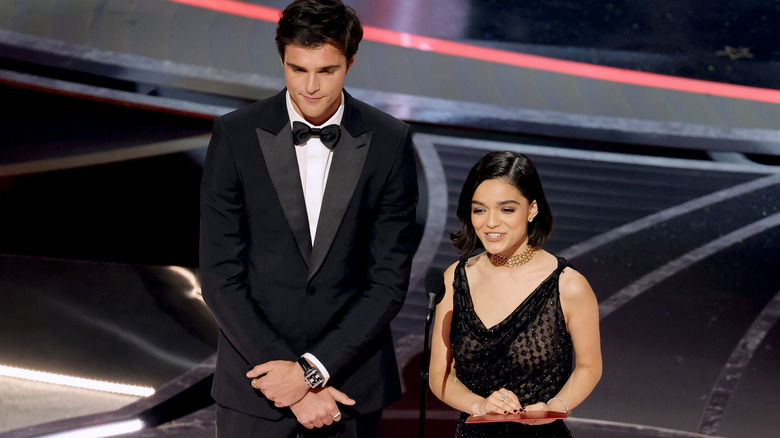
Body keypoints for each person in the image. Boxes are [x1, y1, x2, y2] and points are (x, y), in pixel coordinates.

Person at [198, 0, 419, 436]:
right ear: (282, 59)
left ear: (350, 62)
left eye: (327, 70)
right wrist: (289, 381)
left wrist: (312, 372)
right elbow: (221, 276)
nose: (311, 86)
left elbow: (388, 282)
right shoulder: (235, 134)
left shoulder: (390, 141)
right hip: (255, 389)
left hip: (348, 389)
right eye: (298, 69)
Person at [428, 151, 602, 437]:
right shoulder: (455, 278)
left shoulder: (568, 285)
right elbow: (440, 374)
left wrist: (555, 406)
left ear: (531, 210)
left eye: (506, 209)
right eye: (479, 210)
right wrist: (480, 405)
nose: (491, 223)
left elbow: (589, 366)